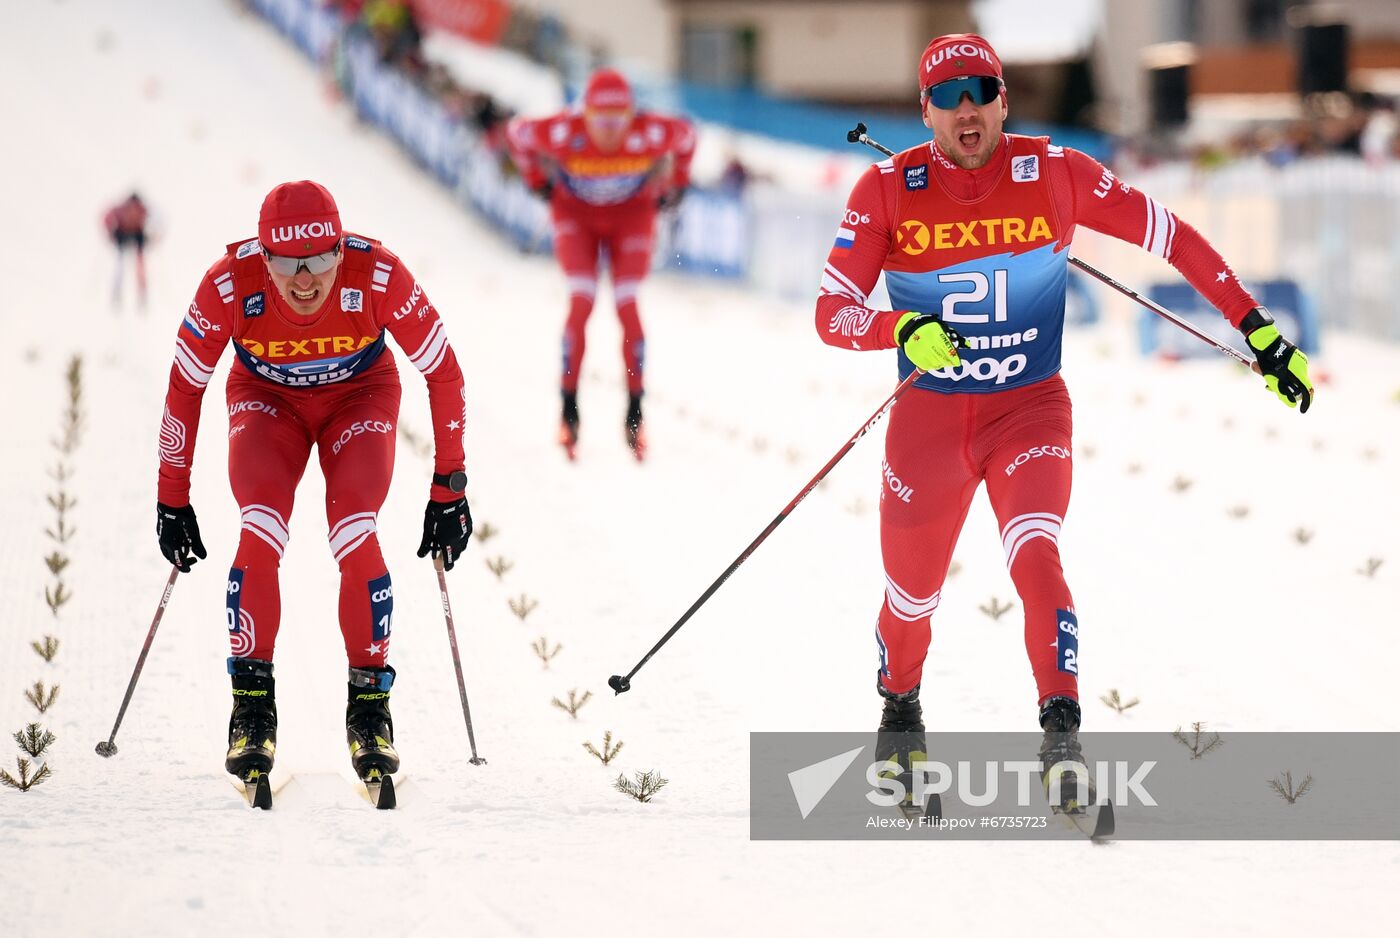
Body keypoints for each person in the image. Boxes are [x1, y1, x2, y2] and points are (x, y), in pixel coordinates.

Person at [815, 34, 1313, 814]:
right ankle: (900, 709)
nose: (967, 109)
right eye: (948, 97)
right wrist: (898, 330)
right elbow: (831, 311)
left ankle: (1062, 736)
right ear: (925, 111)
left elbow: (1172, 236)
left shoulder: (1055, 173)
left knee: (1036, 554)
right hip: (930, 421)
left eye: (982, 91)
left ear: (1005, 100)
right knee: (911, 601)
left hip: (1028, 407)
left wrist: (1254, 326)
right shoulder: (886, 189)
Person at [153, 180, 473, 787]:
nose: (306, 280)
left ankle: (370, 709)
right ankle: (251, 707)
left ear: (340, 249)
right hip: (266, 399)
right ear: (263, 255)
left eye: (322, 260)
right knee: (260, 527)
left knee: (355, 528)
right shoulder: (228, 283)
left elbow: (445, 373)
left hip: (360, 396)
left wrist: (449, 486)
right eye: (288, 263)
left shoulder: (378, 276)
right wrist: (172, 496)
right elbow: (183, 388)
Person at [506, 68, 696, 461]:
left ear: (632, 116)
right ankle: (568, 411)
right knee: (582, 302)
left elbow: (689, 137)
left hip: (631, 217)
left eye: (618, 121)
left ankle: (635, 413)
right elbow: (517, 134)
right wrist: (535, 180)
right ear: (584, 114)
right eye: (600, 121)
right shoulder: (563, 131)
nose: (609, 131)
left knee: (627, 304)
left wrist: (677, 183)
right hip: (576, 217)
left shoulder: (651, 132)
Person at [105, 192, 150, 309]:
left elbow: (107, 217)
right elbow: (108, 217)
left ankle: (140, 292)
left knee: (134, 265)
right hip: (126, 234)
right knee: (125, 265)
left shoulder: (127, 208)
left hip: (132, 234)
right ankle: (121, 291)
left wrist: (110, 232)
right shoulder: (139, 208)